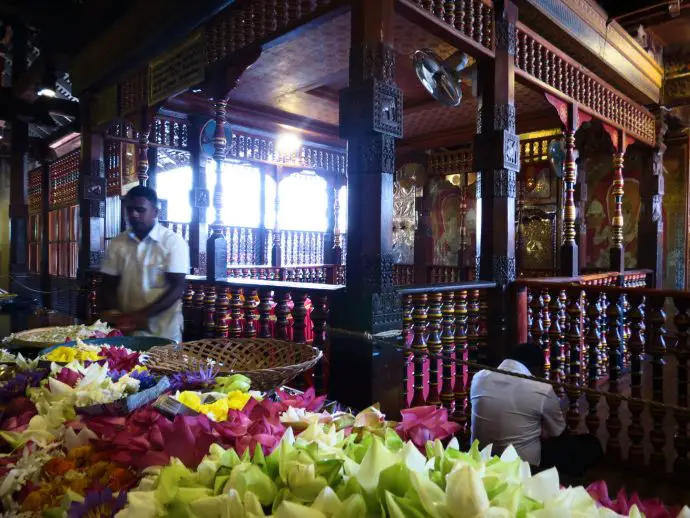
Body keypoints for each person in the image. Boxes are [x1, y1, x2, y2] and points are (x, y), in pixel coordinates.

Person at [470, 343, 602, 477]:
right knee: (590, 445)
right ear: (536, 368)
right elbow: (559, 436)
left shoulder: (479, 378)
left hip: (480, 463)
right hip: (524, 470)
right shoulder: (540, 388)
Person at [100, 186, 190, 343]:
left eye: (140, 210)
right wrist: (119, 314)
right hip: (127, 330)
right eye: (130, 210)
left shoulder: (172, 242)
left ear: (155, 212)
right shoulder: (117, 243)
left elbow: (177, 287)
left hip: (163, 331)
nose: (134, 214)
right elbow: (108, 284)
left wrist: (143, 315)